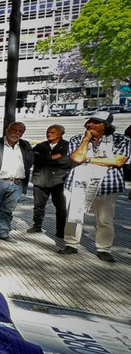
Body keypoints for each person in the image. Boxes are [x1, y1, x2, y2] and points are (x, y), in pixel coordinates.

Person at [59, 111, 130, 262]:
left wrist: (89, 159)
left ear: (106, 125)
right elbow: (77, 158)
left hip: (107, 185)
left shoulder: (120, 140)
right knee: (74, 214)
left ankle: (103, 248)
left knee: (105, 219)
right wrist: (86, 140)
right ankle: (71, 243)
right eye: (89, 121)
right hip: (78, 183)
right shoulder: (77, 139)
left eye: (95, 122)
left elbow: (118, 161)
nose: (90, 124)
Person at [28, 125, 71, 239]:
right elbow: (33, 159)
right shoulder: (40, 145)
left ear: (61, 133)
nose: (49, 134)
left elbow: (67, 162)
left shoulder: (68, 146)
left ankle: (60, 231)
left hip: (59, 181)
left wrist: (45, 159)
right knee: (38, 206)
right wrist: (53, 157)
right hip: (40, 179)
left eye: (52, 132)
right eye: (48, 132)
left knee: (61, 207)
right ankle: (37, 226)